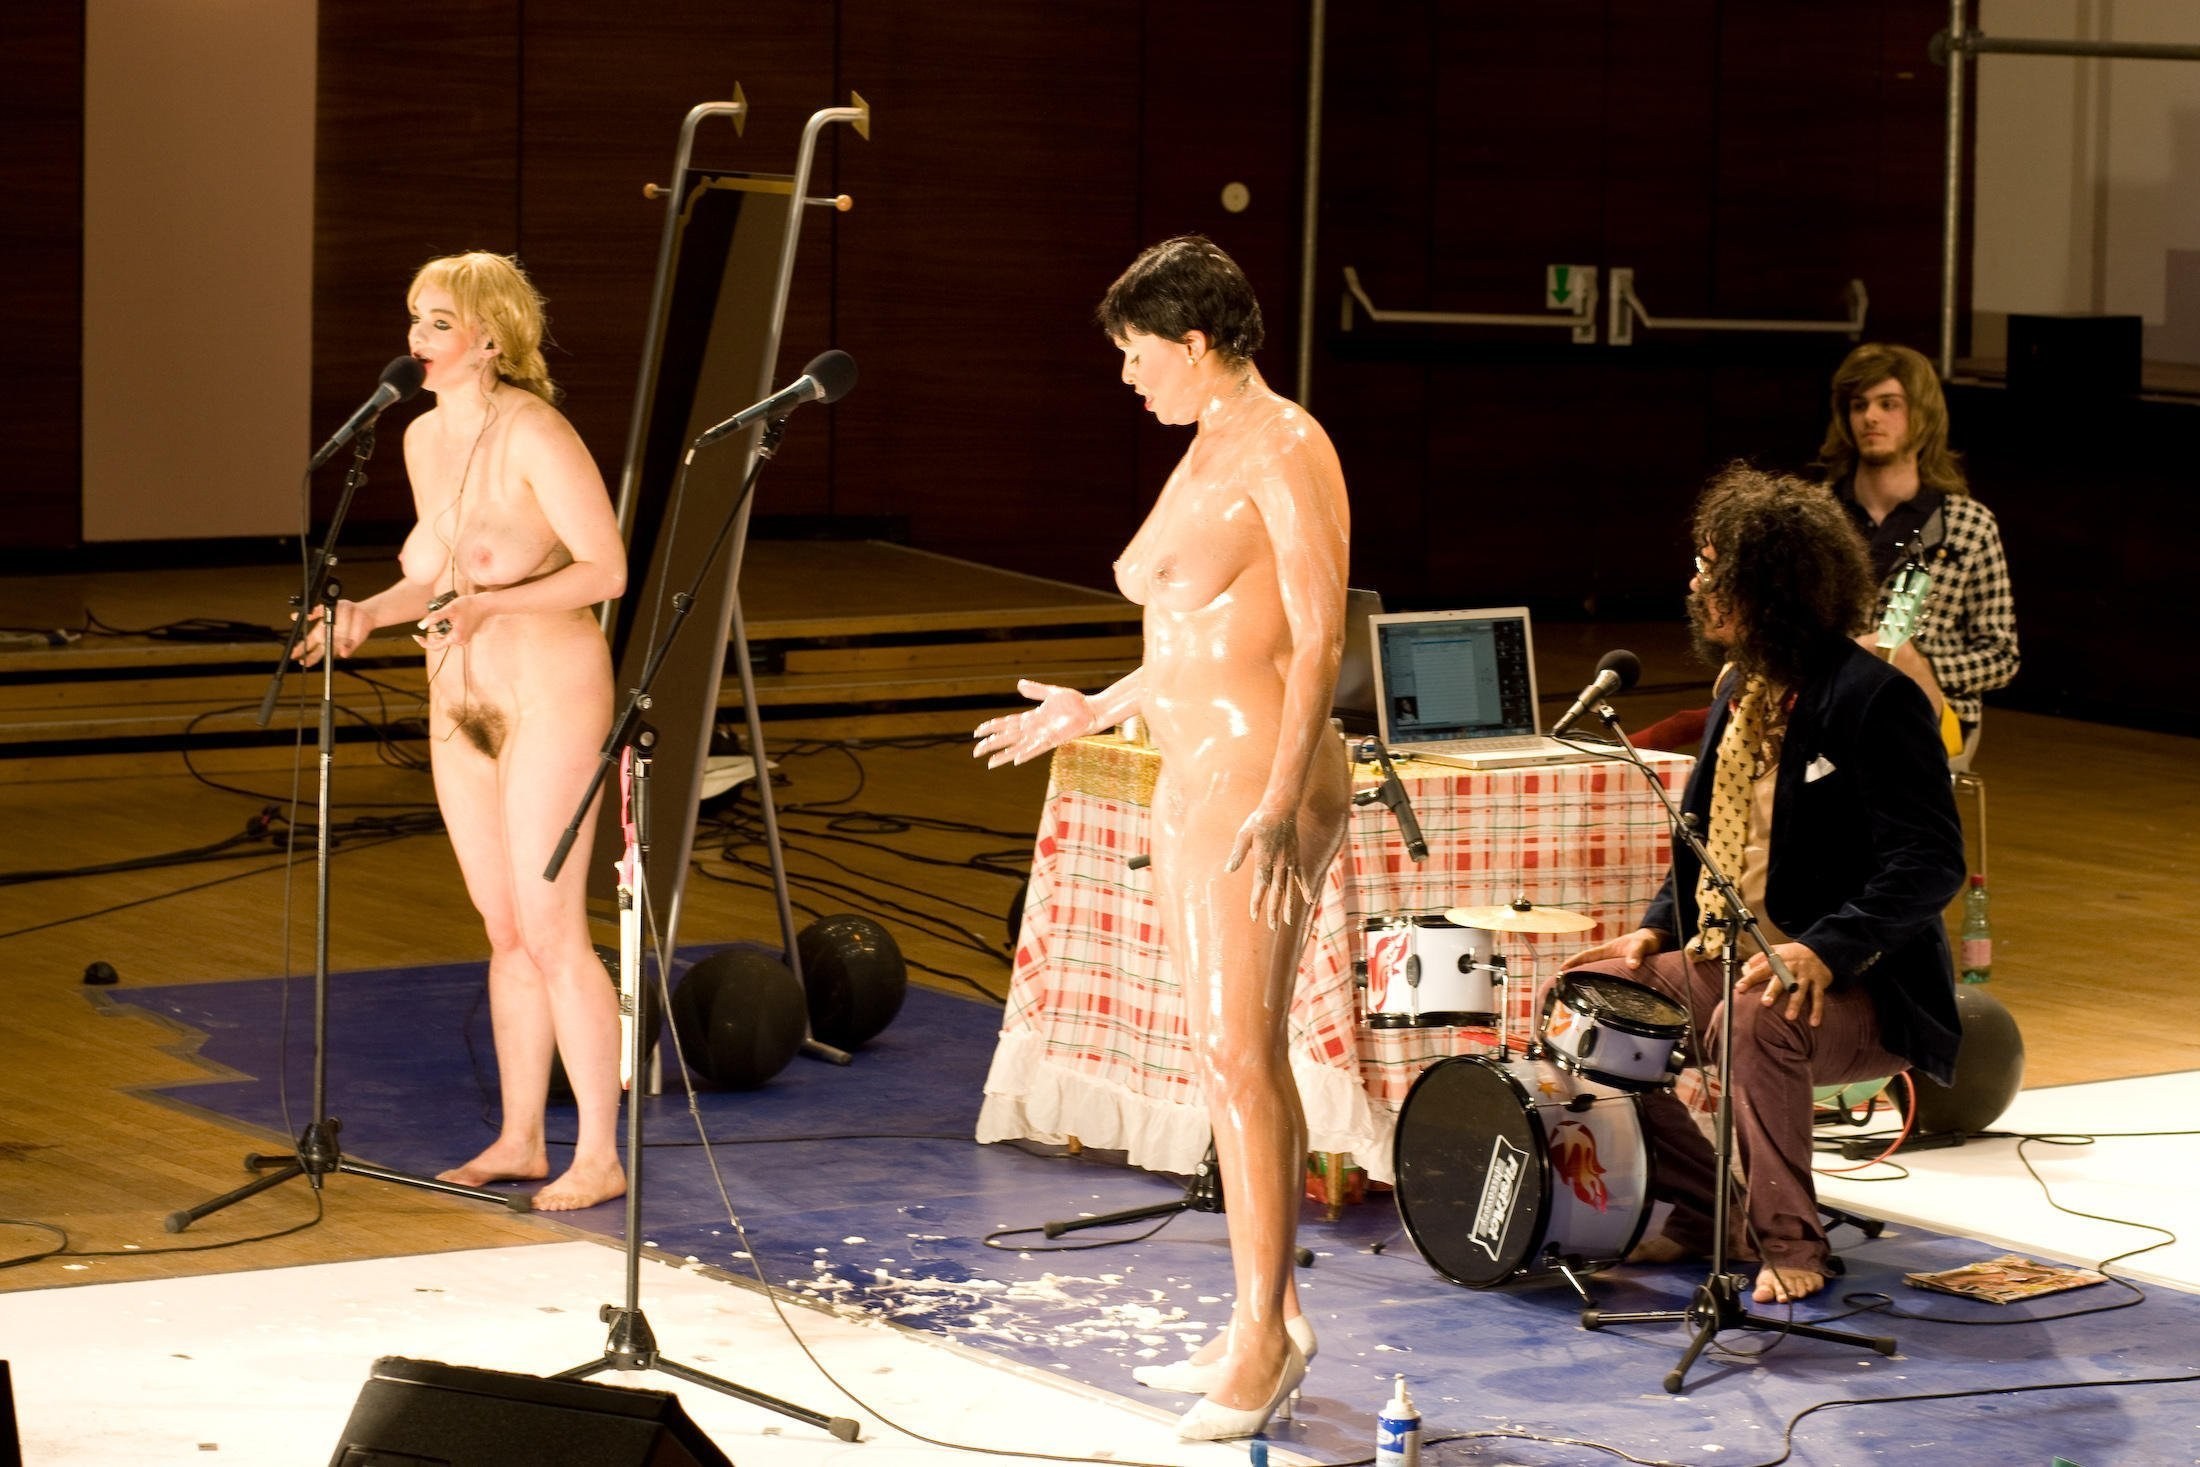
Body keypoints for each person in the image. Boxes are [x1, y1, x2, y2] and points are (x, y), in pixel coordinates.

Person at [972, 236, 1350, 1440]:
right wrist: (1095, 706)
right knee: (1227, 1056)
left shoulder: (1286, 445)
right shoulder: (1208, 441)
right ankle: (1264, 1314)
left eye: (1139, 354)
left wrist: (1279, 799)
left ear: (1196, 343)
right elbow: (1193, 641)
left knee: (1239, 1055)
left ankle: (1263, 1338)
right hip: (1197, 766)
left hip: (1256, 773)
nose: (1128, 377)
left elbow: (1317, 638)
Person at [1561, 466, 1965, 1305]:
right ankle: (1711, 1209)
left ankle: (1791, 1242)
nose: (1696, 586)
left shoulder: (1874, 700)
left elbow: (1930, 861)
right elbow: (1702, 839)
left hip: (1860, 986)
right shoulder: (1738, 692)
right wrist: (1657, 925)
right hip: (1735, 959)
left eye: (1714, 571)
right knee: (1590, 1000)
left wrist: (1826, 948)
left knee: (1755, 1018)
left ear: (1773, 588)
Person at [295, 251, 628, 1211]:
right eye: (415, 318)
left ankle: (597, 1153)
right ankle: (520, 1137)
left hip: (548, 691)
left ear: (490, 339)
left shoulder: (537, 433)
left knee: (552, 926)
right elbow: (433, 575)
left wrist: (492, 607)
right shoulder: (420, 439)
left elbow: (605, 569)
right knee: (503, 925)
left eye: (439, 323)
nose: (418, 338)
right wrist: (366, 612)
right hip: (457, 696)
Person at [1818, 342, 2018, 764]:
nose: (1871, 417)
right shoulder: (1815, 517)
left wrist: (1916, 664)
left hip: (1925, 718)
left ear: (1922, 415)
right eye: (1859, 405)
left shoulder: (1968, 525)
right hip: (1826, 709)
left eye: (1889, 404)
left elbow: (2001, 656)